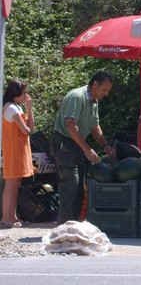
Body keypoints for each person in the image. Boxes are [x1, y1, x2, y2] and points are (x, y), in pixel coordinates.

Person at [53, 71, 115, 223]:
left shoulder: (94, 100)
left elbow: (95, 126)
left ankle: (74, 223)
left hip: (77, 143)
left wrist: (105, 145)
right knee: (71, 184)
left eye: (108, 91)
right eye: (104, 90)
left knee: (81, 186)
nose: (106, 94)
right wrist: (87, 150)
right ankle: (64, 226)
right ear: (94, 84)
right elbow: (70, 126)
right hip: (64, 143)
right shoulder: (76, 97)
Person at [1, 80, 34, 228]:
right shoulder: (12, 109)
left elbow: (30, 128)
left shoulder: (16, 107)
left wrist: (28, 108)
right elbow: (26, 130)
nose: (26, 96)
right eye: (24, 93)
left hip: (19, 149)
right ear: (16, 95)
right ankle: (6, 218)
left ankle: (12, 216)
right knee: (11, 183)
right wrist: (29, 107)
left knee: (15, 184)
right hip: (13, 149)